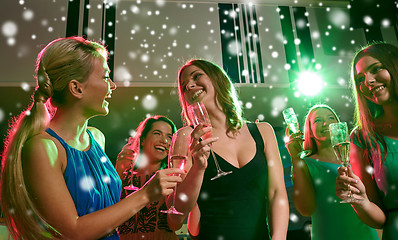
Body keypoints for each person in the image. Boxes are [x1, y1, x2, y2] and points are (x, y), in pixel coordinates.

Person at [0, 37, 183, 239]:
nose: (112, 86)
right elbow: (74, 231)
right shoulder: (42, 148)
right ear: (76, 88)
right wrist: (145, 195)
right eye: (105, 77)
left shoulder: (96, 137)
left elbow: (106, 212)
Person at [166, 59, 289, 239]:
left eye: (196, 76)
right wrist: (198, 169)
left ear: (218, 79)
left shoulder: (263, 131)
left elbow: (276, 193)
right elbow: (176, 217)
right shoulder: (187, 137)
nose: (190, 85)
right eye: (184, 86)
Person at [285, 104, 379, 240]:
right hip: (328, 234)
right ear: (309, 130)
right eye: (317, 120)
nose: (326, 123)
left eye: (331, 118)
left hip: (366, 234)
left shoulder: (359, 155)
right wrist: (296, 158)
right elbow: (306, 209)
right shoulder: (305, 163)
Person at [336, 43, 398, 240]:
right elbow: (378, 219)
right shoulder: (362, 137)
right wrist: (360, 201)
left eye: (376, 69)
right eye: (360, 78)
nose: (368, 81)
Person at [115, 115, 179, 240]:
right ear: (142, 139)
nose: (164, 141)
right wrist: (118, 169)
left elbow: (176, 224)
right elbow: (105, 210)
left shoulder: (173, 177)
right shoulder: (125, 177)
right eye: (157, 133)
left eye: (169, 137)